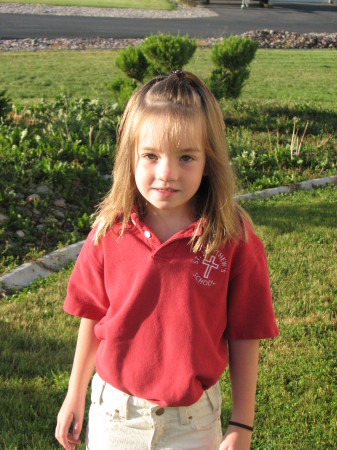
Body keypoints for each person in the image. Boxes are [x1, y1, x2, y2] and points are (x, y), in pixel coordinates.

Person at [55, 70, 278, 450]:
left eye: (186, 157)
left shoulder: (231, 238)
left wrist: (242, 422)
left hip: (192, 423)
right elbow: (92, 313)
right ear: (131, 156)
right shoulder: (110, 229)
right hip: (115, 417)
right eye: (151, 156)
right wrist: (74, 391)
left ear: (209, 160)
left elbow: (245, 334)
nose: (167, 174)